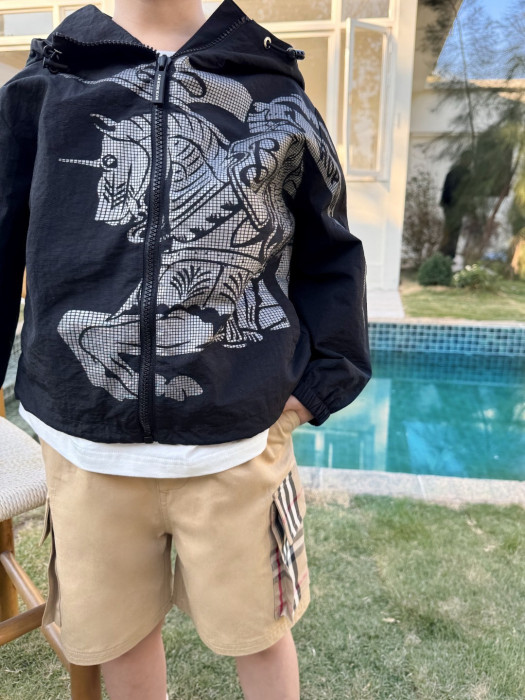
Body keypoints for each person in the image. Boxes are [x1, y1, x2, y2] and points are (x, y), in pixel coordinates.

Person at [0, 0, 372, 698]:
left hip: (238, 445)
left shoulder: (272, 87)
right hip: (86, 451)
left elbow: (330, 251)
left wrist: (314, 389)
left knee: (261, 636)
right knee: (120, 641)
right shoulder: (46, 86)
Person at [438, 150, 473, 259]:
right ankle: (446, 255)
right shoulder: (461, 173)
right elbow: (451, 192)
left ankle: (447, 255)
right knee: (451, 232)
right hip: (453, 208)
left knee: (452, 232)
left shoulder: (457, 172)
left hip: (453, 207)